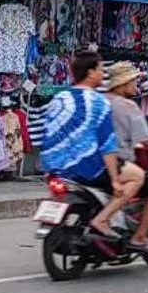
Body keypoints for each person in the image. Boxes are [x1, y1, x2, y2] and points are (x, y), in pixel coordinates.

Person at [85, 61, 148, 255]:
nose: (136, 85)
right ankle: (139, 237)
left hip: (89, 162)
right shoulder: (127, 106)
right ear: (123, 83)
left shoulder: (97, 101)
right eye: (133, 80)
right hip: (114, 164)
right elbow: (146, 140)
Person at [38, 48, 122, 213]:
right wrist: (115, 180)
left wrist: (48, 169)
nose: (102, 75)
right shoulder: (99, 102)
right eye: (100, 70)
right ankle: (102, 221)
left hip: (56, 170)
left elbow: (47, 134)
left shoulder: (59, 98)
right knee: (135, 178)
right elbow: (107, 145)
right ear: (90, 73)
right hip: (87, 170)